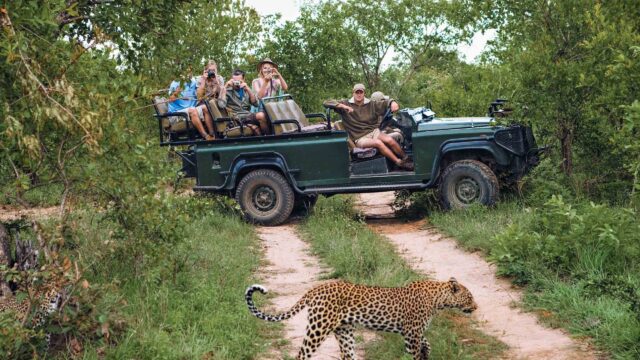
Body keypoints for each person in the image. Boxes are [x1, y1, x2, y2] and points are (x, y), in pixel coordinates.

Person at [323, 84, 413, 170]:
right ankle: (399, 162)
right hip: (359, 138)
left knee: (389, 140)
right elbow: (326, 103)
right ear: (353, 93)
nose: (359, 94)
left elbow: (385, 103)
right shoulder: (346, 103)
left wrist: (392, 102)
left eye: (361, 92)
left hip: (372, 132)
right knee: (378, 143)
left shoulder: (371, 104)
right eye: (356, 92)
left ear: (364, 93)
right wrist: (342, 106)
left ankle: (407, 158)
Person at [167, 67, 215, 140]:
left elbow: (199, 96)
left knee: (205, 107)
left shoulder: (193, 81)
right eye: (186, 72)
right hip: (176, 113)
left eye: (190, 72)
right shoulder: (175, 83)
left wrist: (203, 80)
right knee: (193, 110)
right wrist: (179, 89)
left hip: (190, 110)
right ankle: (205, 136)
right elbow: (170, 100)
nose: (189, 74)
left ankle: (212, 135)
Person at [224, 69, 268, 135]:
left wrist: (248, 89)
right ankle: (267, 138)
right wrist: (226, 86)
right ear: (231, 80)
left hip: (247, 115)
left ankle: (271, 135)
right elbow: (221, 104)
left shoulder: (245, 89)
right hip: (236, 117)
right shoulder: (227, 91)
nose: (237, 83)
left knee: (267, 115)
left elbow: (256, 104)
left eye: (239, 81)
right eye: (235, 81)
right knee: (261, 115)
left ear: (244, 79)